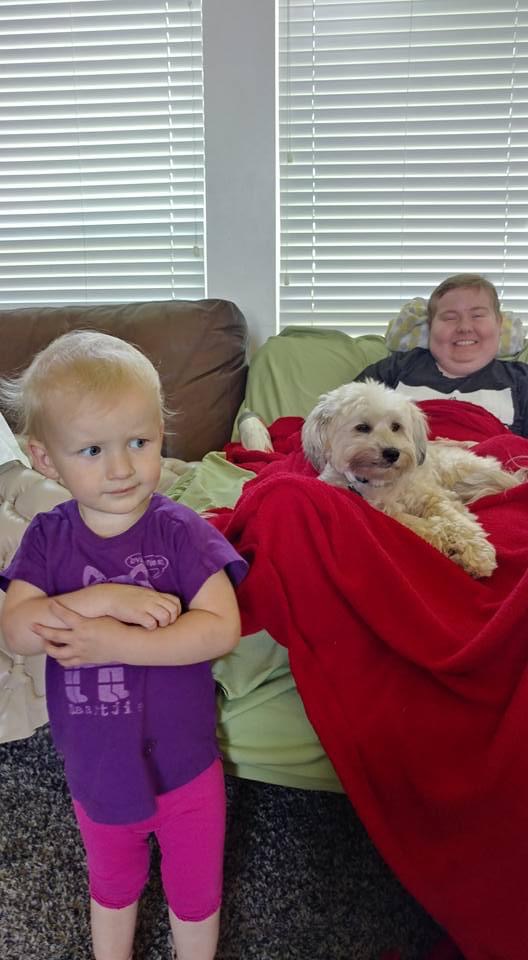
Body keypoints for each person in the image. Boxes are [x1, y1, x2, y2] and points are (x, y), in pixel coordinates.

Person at [0, 330, 248, 960]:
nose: (121, 468)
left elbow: (221, 627)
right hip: (97, 764)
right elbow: (17, 628)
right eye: (92, 450)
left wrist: (115, 642)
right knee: (112, 886)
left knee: (196, 892)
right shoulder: (48, 537)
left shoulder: (180, 531)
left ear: (162, 435)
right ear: (45, 460)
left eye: (140, 442)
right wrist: (105, 600)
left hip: (188, 766)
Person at [356, 273, 528, 436]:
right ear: (430, 326)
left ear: (498, 323)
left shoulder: (521, 380)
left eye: (477, 315)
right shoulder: (395, 369)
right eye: (450, 318)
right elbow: (345, 419)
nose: (464, 327)